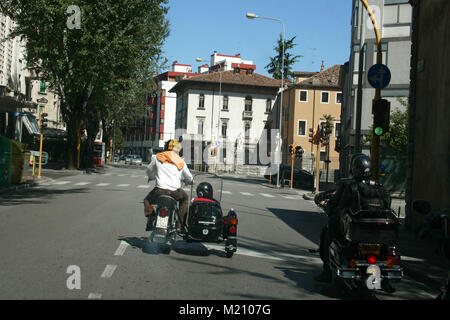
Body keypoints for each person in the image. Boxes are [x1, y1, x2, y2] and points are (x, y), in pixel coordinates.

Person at [314, 153, 391, 282]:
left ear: (354, 169)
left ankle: (327, 271)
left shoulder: (351, 187)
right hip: (377, 232)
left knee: (329, 230)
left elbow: (338, 208)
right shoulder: (381, 188)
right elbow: (387, 208)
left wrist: (328, 207)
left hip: (355, 232)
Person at [144, 139, 194, 233]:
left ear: (166, 148)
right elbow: (189, 177)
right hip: (175, 193)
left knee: (147, 200)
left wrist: (151, 177)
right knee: (185, 199)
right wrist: (191, 181)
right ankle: (180, 226)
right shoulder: (181, 161)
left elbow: (149, 170)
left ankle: (151, 216)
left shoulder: (158, 157)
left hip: (159, 191)